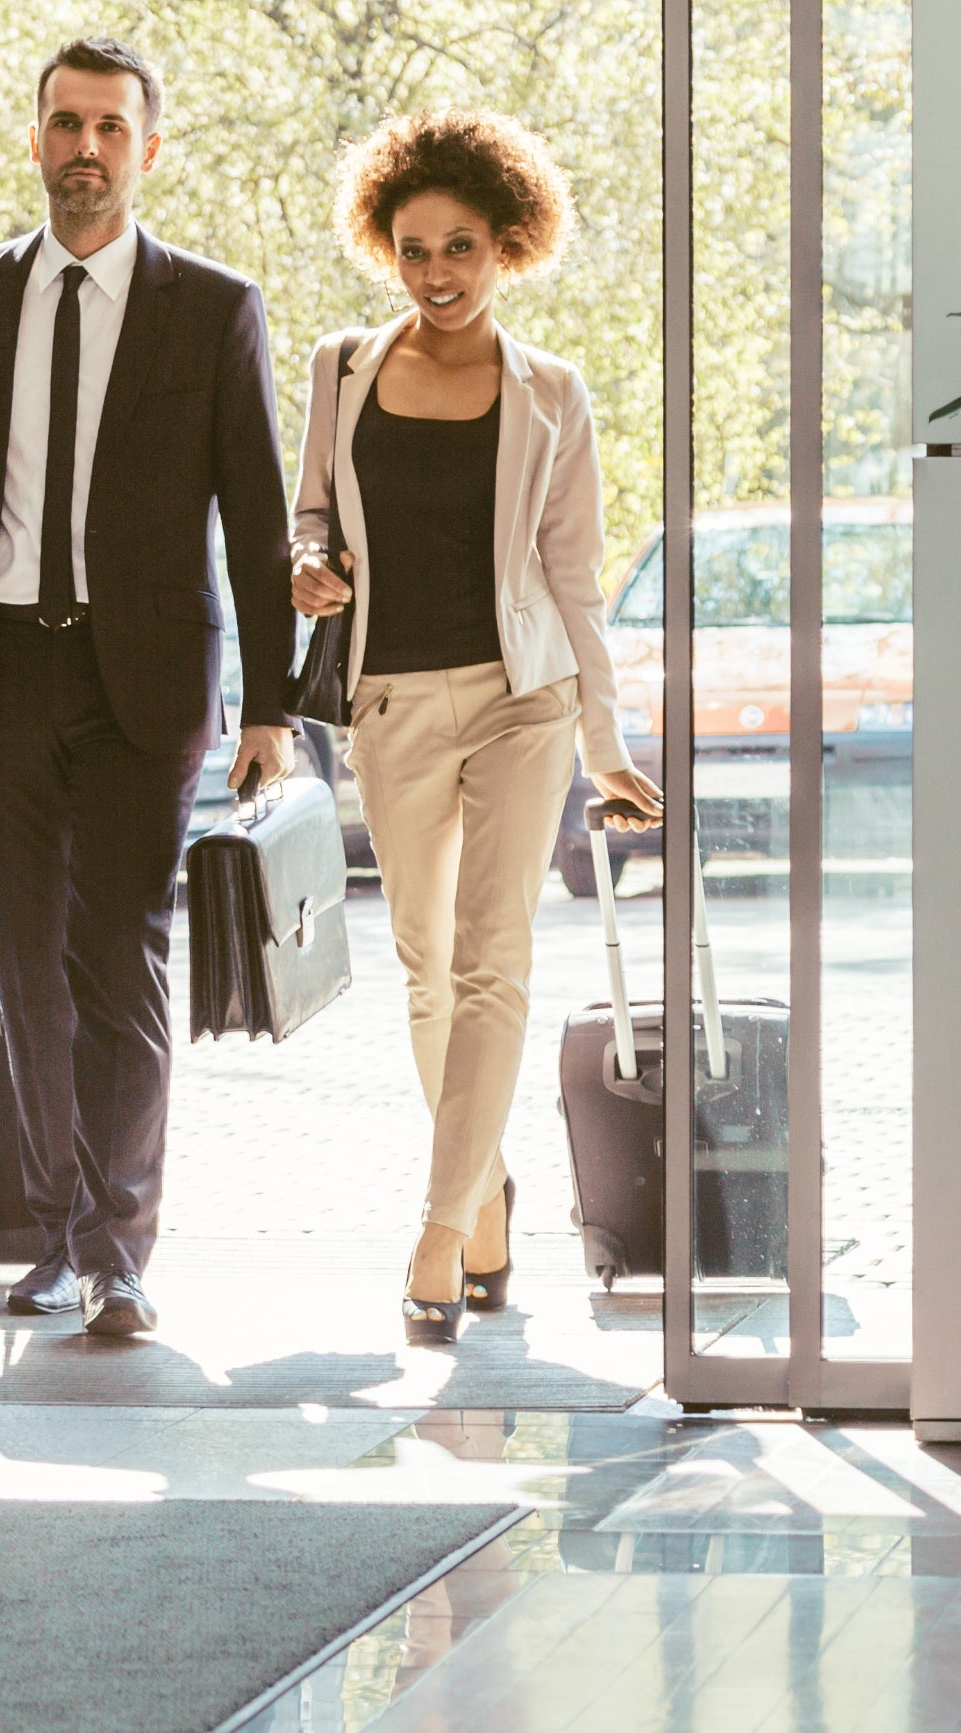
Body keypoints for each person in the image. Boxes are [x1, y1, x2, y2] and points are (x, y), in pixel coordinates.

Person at [0, 37, 298, 1337]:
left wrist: (273, 706)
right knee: (26, 964)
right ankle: (55, 1233)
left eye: (111, 128)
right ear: (35, 142)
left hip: (145, 682)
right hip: (0, 670)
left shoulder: (210, 306)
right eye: (66, 125)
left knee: (119, 961)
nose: (85, 149)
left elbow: (257, 515)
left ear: (148, 148)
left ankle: (121, 1249)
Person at [288, 110, 662, 1348]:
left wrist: (603, 741)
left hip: (523, 701)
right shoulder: (340, 369)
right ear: (383, 248)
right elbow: (311, 515)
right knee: (426, 969)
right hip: (391, 704)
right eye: (413, 249)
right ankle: (487, 1188)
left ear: (508, 246)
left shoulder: (551, 393)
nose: (437, 274)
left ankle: (440, 1231)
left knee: (492, 956)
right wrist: (309, 565)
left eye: (461, 248)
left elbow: (573, 574)